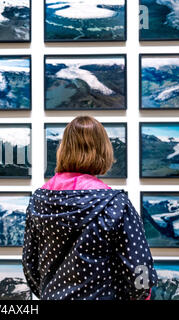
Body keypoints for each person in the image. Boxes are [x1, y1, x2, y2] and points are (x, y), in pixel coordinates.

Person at [22, 116, 158, 300]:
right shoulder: (115, 203)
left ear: (63, 149)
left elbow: (30, 264)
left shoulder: (39, 201)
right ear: (103, 151)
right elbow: (139, 268)